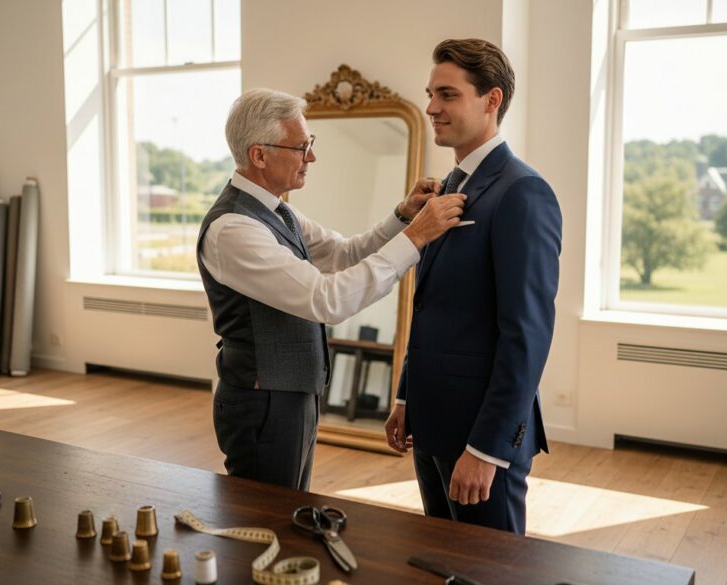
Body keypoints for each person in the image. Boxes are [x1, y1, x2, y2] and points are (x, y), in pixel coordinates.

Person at [197, 88, 465, 491]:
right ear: (259, 155)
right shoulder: (233, 229)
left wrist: (402, 217)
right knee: (265, 515)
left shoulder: (278, 211)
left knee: (288, 507)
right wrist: (416, 237)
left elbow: (343, 253)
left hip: (292, 395)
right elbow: (327, 300)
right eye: (301, 147)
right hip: (263, 403)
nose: (311, 157)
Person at [385, 39, 562, 534]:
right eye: (430, 94)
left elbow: (526, 335)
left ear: (492, 100)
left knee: (491, 566)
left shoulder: (522, 191)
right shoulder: (448, 187)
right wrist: (406, 398)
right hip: (431, 424)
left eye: (447, 94)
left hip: (478, 437)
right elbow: (431, 306)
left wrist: (486, 449)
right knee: (443, 558)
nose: (431, 108)